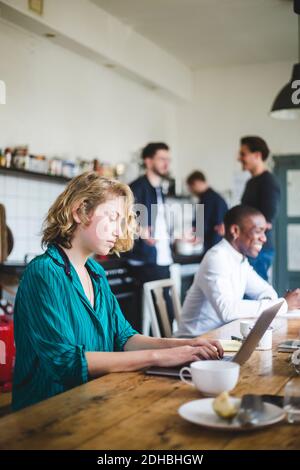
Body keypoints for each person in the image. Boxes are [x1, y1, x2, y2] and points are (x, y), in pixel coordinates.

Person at [12, 172, 223, 410]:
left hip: (94, 402)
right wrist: (160, 357)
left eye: (121, 221)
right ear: (80, 211)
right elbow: (66, 362)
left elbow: (124, 338)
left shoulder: (95, 272)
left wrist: (182, 345)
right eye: (112, 217)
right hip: (47, 413)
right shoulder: (44, 273)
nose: (118, 231)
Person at [176, 205, 300, 337]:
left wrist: (272, 305)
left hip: (221, 338)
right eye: (258, 231)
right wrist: (282, 305)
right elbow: (228, 312)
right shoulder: (217, 258)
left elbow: (266, 291)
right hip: (195, 342)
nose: (264, 238)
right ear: (235, 230)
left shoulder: (239, 259)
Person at [125, 142, 174, 328]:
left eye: (168, 159)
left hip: (162, 258)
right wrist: (139, 230)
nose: (166, 163)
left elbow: (160, 224)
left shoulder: (159, 189)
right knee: (163, 317)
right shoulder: (136, 188)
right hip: (145, 261)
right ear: (148, 161)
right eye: (162, 159)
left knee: (164, 316)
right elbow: (122, 217)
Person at [239, 136, 280, 281]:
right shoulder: (251, 182)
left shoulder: (268, 182)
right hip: (249, 247)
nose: (239, 158)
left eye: (243, 154)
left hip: (259, 249)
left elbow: (266, 222)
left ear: (257, 155)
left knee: (258, 299)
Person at [186, 170, 228, 253]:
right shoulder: (212, 197)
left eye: (191, 187)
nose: (191, 191)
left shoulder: (208, 199)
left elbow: (202, 223)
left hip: (214, 244)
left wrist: (196, 235)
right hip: (217, 244)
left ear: (197, 182)